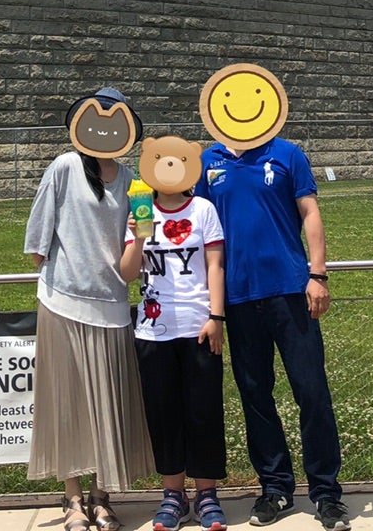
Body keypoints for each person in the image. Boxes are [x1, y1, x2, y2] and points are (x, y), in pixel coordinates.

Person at [200, 120, 351, 531]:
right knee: (255, 395)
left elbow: (310, 211)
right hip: (238, 297)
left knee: (312, 392)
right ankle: (275, 487)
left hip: (289, 290)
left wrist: (317, 275)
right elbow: (198, 228)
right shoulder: (207, 160)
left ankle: (326, 492)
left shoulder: (286, 153)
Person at [25, 87, 155, 531]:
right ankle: (73, 500)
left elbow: (132, 248)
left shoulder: (132, 179)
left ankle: (103, 496)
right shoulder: (63, 167)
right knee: (67, 404)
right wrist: (57, 277)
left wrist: (139, 238)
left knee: (108, 404)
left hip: (112, 303)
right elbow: (38, 238)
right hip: (62, 301)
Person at [120, 139, 228, 531]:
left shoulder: (204, 210)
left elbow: (215, 266)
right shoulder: (138, 211)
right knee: (163, 413)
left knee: (203, 410)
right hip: (153, 331)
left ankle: (207, 493)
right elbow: (128, 273)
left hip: (198, 326)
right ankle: (172, 494)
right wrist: (140, 235)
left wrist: (216, 316)